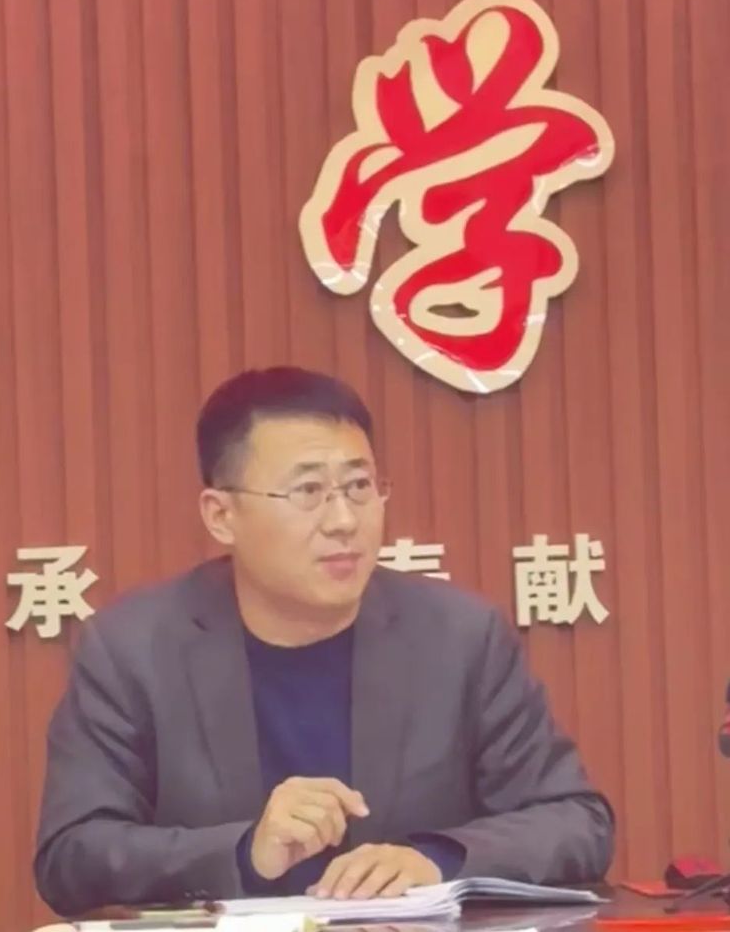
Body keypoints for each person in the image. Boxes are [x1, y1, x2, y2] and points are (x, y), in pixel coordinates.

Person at [35, 366, 614, 917]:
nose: (344, 520)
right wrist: (244, 852)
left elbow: (575, 821)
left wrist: (435, 860)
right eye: (307, 491)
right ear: (221, 515)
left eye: (360, 486)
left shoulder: (460, 639)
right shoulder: (134, 650)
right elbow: (73, 856)